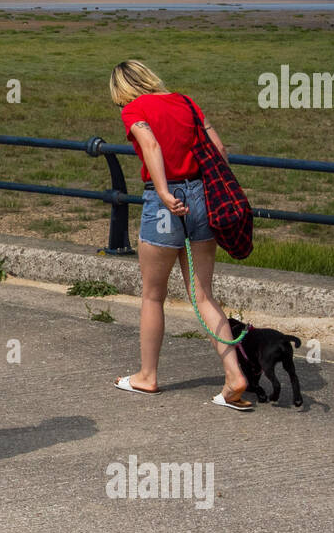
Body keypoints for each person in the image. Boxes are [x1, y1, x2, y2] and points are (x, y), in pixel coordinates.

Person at [108, 59, 253, 411]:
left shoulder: (134, 110)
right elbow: (219, 151)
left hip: (164, 205)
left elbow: (151, 146)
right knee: (203, 295)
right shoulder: (187, 102)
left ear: (123, 89)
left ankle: (147, 376)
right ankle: (234, 375)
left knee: (153, 295)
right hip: (202, 197)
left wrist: (163, 192)